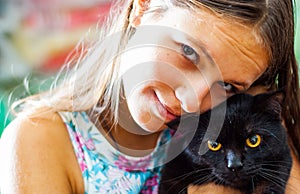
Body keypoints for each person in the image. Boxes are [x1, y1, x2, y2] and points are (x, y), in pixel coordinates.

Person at [0, 0, 299, 193]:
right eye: (188, 52)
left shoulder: (250, 132)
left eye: (228, 86)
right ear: (143, 8)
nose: (192, 101)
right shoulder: (38, 142)